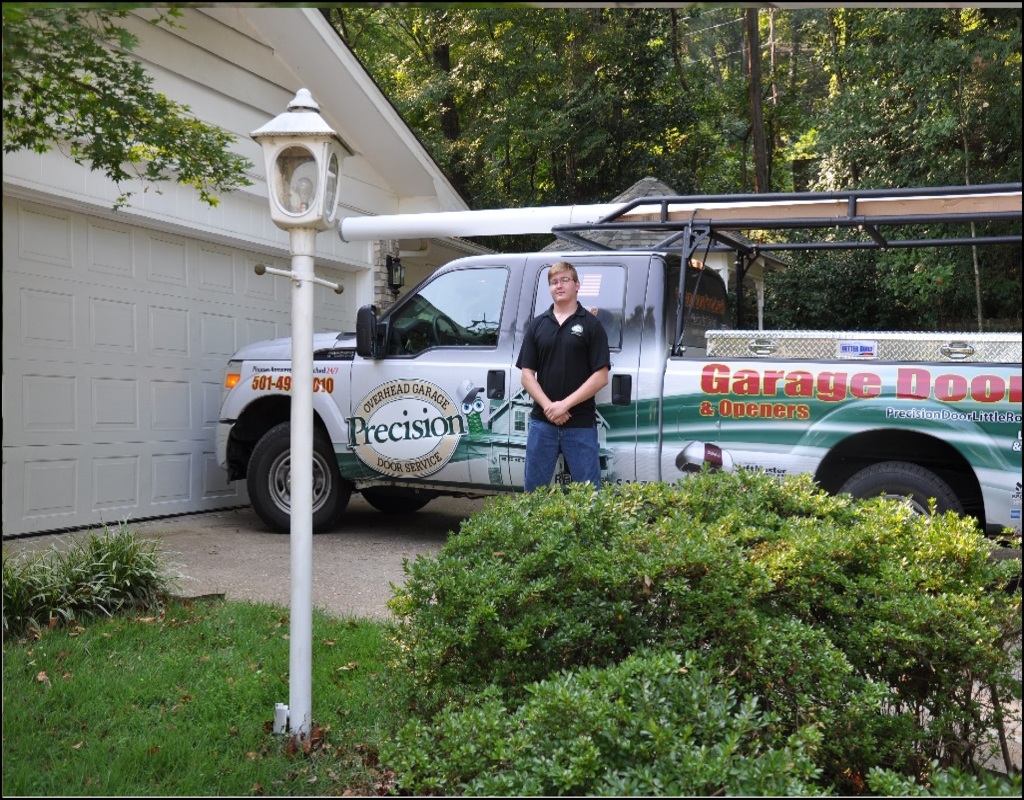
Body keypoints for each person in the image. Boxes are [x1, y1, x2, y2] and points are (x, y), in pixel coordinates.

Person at [515, 261, 611, 491]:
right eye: (553, 282)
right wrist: (550, 407)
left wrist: (564, 406)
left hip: (580, 424)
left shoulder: (591, 325)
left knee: (589, 496)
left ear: (577, 285)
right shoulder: (538, 325)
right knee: (533, 494)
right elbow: (527, 375)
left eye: (564, 280)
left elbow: (601, 376)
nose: (559, 286)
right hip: (542, 424)